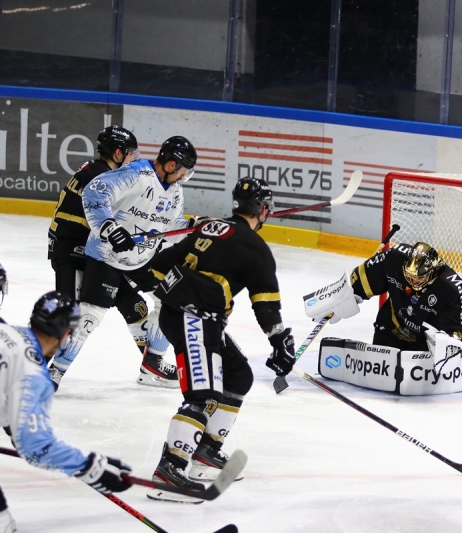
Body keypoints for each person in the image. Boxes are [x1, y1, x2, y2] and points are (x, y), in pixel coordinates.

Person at [144, 176, 295, 502]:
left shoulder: (210, 227)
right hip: (195, 320)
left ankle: (206, 451)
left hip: (185, 316)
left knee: (238, 375)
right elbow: (266, 305)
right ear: (264, 209)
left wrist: (174, 293)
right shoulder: (255, 248)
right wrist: (280, 342)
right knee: (202, 395)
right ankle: (170, 470)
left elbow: (158, 266)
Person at [48, 136, 198, 391]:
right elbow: (94, 192)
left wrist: (192, 228)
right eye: (183, 171)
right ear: (172, 165)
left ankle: (153, 365)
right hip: (106, 256)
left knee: (173, 300)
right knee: (89, 318)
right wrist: (108, 226)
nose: (184, 177)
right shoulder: (136, 174)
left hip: (142, 259)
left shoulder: (174, 191)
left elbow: (169, 226)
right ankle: (54, 373)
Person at [0, 291, 133, 532]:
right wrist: (89, 467)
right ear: (65, 334)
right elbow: (35, 446)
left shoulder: (6, 331)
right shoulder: (33, 375)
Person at [47, 126, 156, 376]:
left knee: (132, 304)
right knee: (69, 316)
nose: (132, 159)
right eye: (129, 153)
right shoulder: (102, 177)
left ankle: (152, 364)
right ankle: (38, 368)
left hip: (88, 251)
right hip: (72, 253)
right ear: (117, 152)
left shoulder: (96, 169)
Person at [348, 242, 462, 352]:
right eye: (409, 276)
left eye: (419, 278)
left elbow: (459, 333)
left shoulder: (452, 289)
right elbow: (366, 276)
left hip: (426, 346)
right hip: (390, 331)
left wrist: (449, 344)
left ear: (432, 272)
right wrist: (348, 293)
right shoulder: (395, 258)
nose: (413, 282)